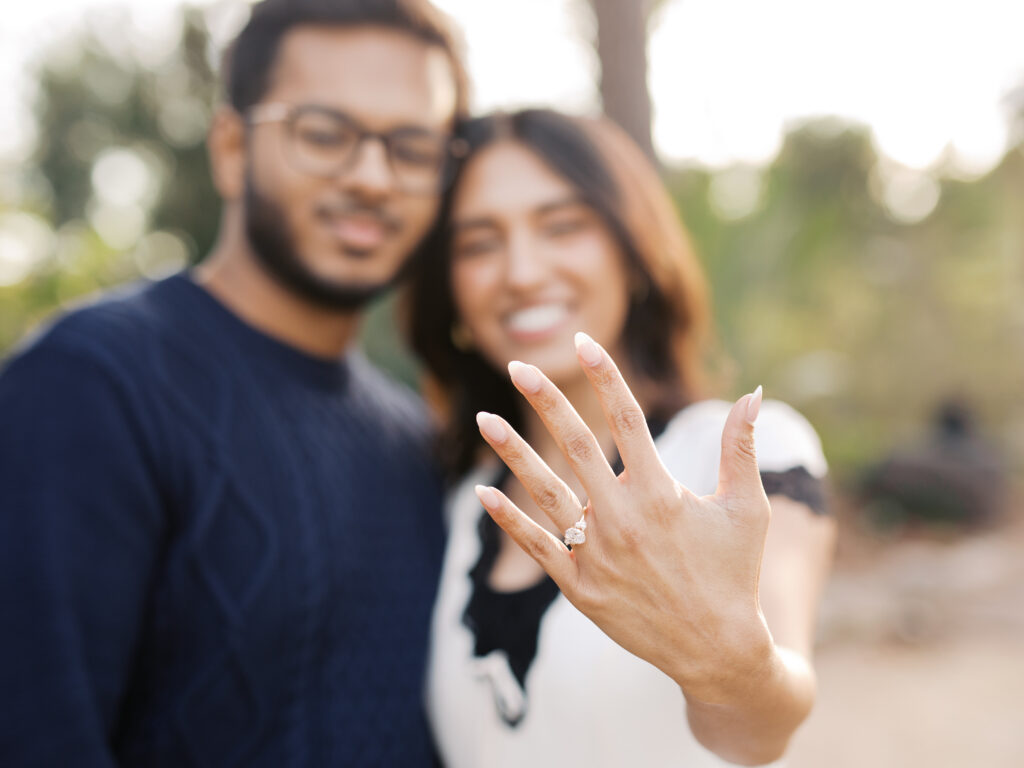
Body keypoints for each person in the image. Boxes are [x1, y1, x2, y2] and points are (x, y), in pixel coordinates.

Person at [0, 0, 468, 765]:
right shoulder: (91, 386)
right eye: (325, 134)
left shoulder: (414, 443)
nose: (374, 178)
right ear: (229, 148)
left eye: (412, 147)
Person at [406, 109, 837, 767]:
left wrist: (725, 661)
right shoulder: (460, 501)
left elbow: (767, 725)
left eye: (563, 226)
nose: (521, 271)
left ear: (635, 255)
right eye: (478, 243)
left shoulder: (741, 457)